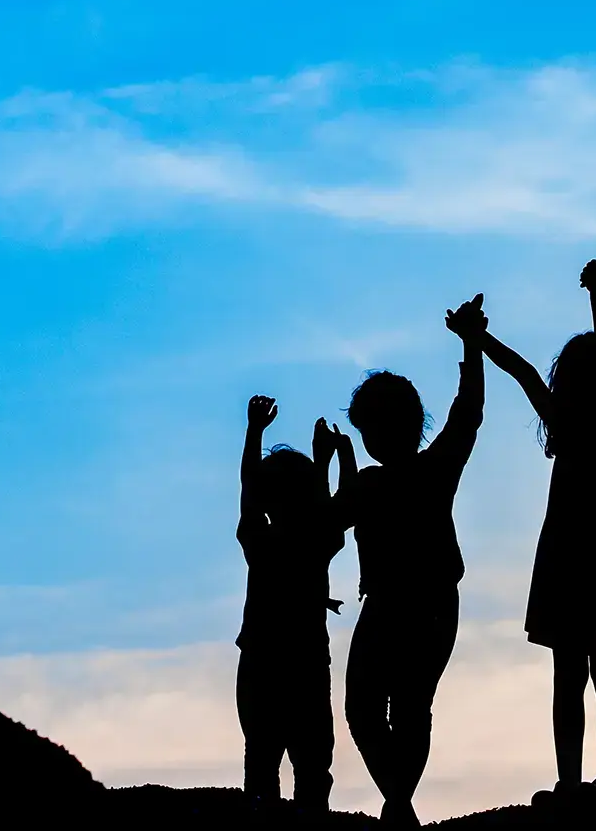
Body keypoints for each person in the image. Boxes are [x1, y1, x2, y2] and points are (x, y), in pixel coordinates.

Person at [465, 260, 596, 809]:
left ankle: (575, 782)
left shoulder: (573, 420)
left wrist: (478, 340)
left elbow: (528, 373)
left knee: (570, 674)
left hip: (573, 553)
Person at [334, 296, 487, 827]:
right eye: (364, 432)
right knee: (370, 708)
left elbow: (467, 416)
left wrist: (472, 345)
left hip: (425, 604)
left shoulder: (427, 470)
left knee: (405, 706)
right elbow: (328, 525)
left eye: (373, 428)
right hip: (395, 606)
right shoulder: (377, 482)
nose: (371, 439)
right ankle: (400, 802)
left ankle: (398, 805)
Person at [234, 395, 348, 811]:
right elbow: (325, 511)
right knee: (313, 767)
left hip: (261, 661)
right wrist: (325, 462)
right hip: (307, 666)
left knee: (261, 763)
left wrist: (254, 432)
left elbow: (250, 487)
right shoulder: (316, 544)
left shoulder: (260, 542)